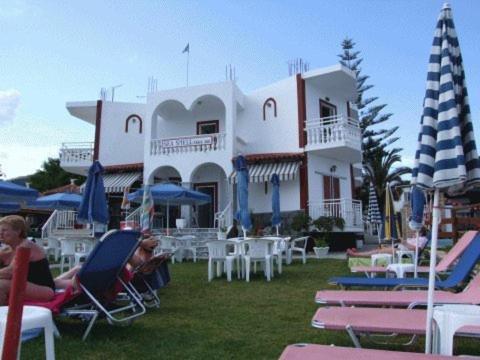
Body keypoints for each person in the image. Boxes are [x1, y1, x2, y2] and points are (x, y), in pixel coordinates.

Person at [0, 215, 55, 305]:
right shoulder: (7, 250)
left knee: (1, 285)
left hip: (43, 289)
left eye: (4, 230)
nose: (0, 233)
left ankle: (1, 316)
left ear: (18, 231)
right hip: (24, 285)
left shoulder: (26, 246)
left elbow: (10, 272)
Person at [347, 227, 429, 258]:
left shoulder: (422, 239)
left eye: (415, 231)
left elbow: (416, 249)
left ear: (420, 232)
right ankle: (358, 253)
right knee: (378, 249)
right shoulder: (417, 238)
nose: (413, 232)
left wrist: (404, 242)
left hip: (404, 253)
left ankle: (356, 254)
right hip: (400, 248)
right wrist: (403, 241)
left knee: (378, 251)